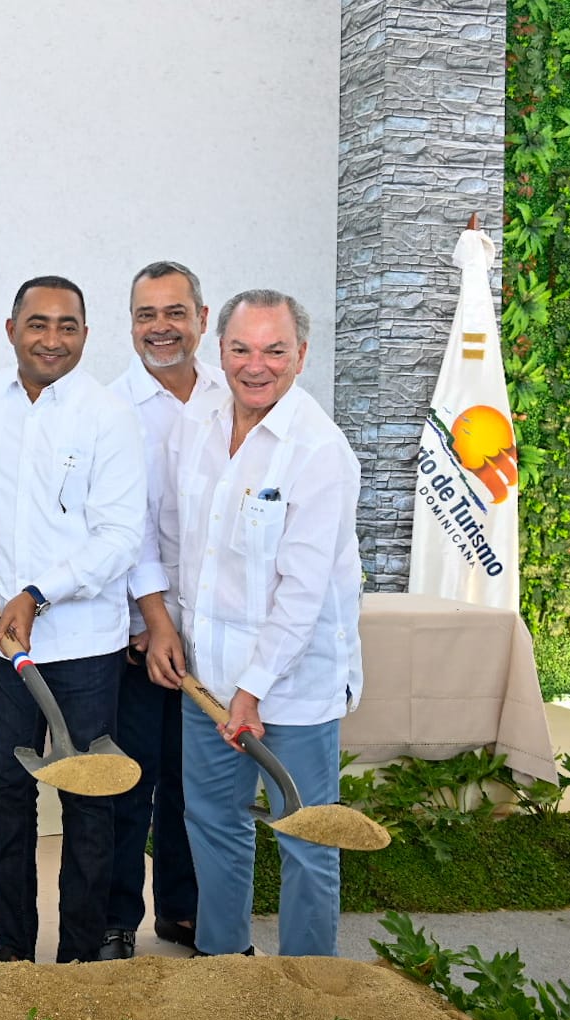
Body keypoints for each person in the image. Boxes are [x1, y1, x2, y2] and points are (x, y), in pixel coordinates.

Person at [155, 289, 362, 957]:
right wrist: (162, 625)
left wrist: (252, 689)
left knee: (305, 836)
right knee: (212, 822)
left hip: (291, 688)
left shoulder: (318, 450)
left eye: (275, 350)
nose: (256, 365)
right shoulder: (198, 423)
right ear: (219, 350)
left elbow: (302, 591)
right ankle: (225, 963)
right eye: (241, 349)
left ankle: (307, 983)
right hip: (208, 678)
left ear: (301, 355)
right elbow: (176, 539)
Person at [0, 275, 146, 964]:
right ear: (11, 330)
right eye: (38, 324)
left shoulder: (108, 415)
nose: (51, 339)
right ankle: (11, 947)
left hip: (83, 645)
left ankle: (80, 956)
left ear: (86, 335)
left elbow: (120, 537)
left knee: (87, 797)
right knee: (7, 790)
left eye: (67, 326)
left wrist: (37, 593)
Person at [100, 261, 225, 959]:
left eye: (174, 312)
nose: (160, 328)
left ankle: (183, 910)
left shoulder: (232, 395)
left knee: (194, 782)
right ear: (130, 325)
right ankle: (115, 916)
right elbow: (129, 529)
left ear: (201, 319)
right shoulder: (111, 407)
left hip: (211, 635)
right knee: (129, 781)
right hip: (137, 635)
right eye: (146, 314)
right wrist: (155, 624)